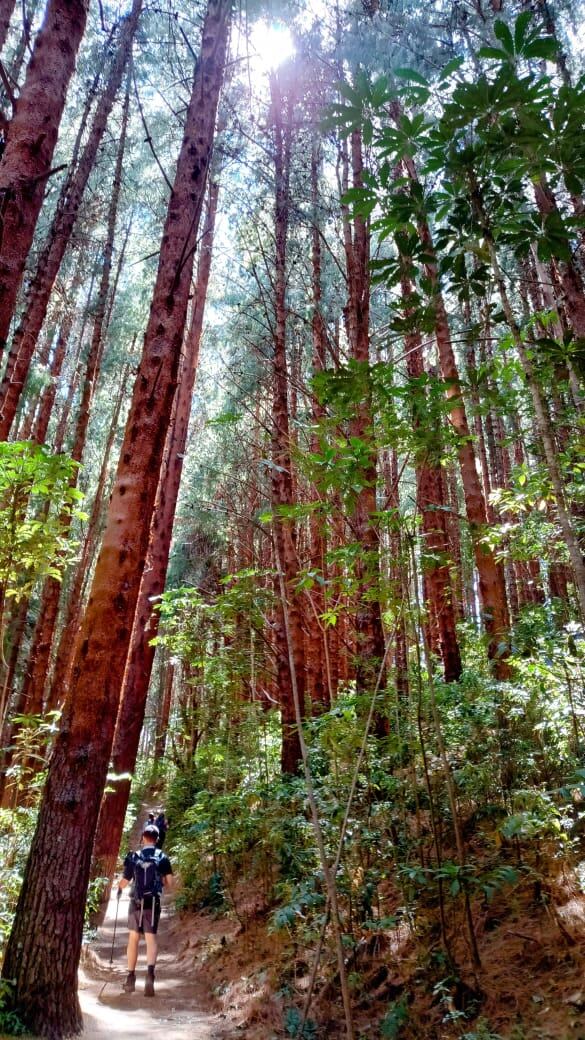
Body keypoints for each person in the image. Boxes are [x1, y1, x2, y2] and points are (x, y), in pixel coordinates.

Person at [117, 823, 172, 997]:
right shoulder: (162, 857)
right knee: (151, 939)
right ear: (157, 840)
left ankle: (131, 978)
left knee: (133, 938)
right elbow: (170, 883)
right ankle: (149, 976)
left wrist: (119, 888)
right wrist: (161, 882)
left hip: (136, 902)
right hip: (152, 902)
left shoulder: (135, 856)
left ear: (143, 837)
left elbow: (124, 881)